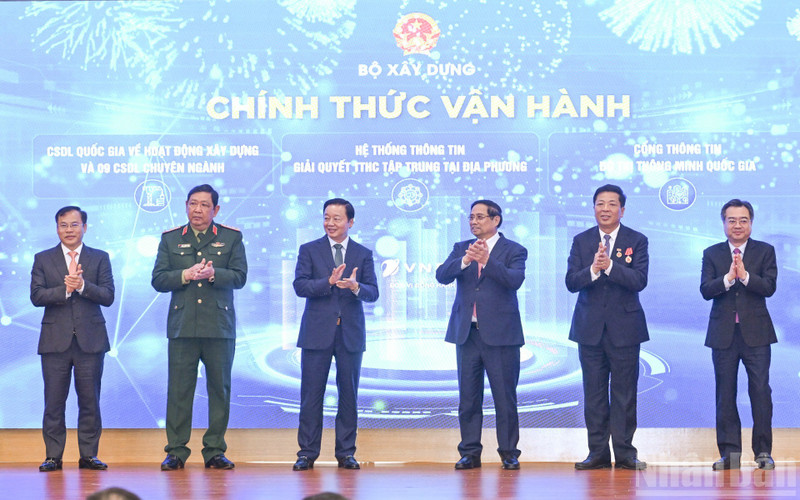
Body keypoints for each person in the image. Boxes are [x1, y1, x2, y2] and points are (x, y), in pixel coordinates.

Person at [151, 184, 247, 471]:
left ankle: (215, 450)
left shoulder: (231, 238)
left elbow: (240, 277)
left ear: (215, 210)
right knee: (179, 391)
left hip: (219, 326)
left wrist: (214, 273)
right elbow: (158, 279)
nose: (197, 210)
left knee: (220, 389)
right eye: (193, 204)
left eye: (205, 205)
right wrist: (184, 274)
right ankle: (176, 451)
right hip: (183, 326)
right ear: (186, 206)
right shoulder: (170, 239)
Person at [435, 199, 527, 471]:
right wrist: (465, 260)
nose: (474, 222)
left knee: (504, 398)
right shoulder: (461, 248)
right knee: (468, 398)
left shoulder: (515, 250)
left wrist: (487, 261)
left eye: (480, 217)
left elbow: (514, 280)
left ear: (495, 220)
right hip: (467, 334)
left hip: (502, 336)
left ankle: (509, 452)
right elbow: (442, 275)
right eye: (471, 217)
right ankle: (469, 452)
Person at [565, 184, 648, 471]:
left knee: (625, 394)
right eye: (600, 203)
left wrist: (610, 266)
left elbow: (639, 281)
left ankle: (625, 454)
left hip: (626, 329)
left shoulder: (637, 240)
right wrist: (593, 269)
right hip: (589, 329)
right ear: (593, 208)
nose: (605, 209)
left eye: (612, 204)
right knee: (595, 394)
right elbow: (571, 282)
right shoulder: (581, 240)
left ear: (622, 210)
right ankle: (597, 453)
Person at [292, 198, 379, 471]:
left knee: (349, 396)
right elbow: (300, 286)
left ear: (350, 222)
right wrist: (327, 282)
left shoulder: (363, 254)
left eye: (337, 218)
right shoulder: (309, 250)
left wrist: (355, 287)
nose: (330, 223)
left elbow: (373, 292)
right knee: (311, 395)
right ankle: (307, 453)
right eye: (326, 217)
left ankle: (346, 453)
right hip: (316, 333)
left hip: (350, 333)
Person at [30, 206, 115, 472]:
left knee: (90, 400)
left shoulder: (99, 258)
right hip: (55, 341)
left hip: (91, 341)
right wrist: (65, 290)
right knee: (54, 402)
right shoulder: (43, 259)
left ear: (85, 227)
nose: (69, 230)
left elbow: (108, 296)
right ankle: (53, 456)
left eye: (74, 225)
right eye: (63, 225)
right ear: (57, 228)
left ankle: (88, 455)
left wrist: (83, 287)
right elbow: (36, 296)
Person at [701, 199, 777, 471]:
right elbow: (706, 290)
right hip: (723, 334)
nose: (737, 225)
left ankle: (763, 452)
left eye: (743, 220)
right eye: (731, 220)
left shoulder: (765, 251)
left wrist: (745, 276)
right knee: (725, 394)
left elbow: (769, 287)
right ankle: (730, 455)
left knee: (760, 392)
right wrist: (728, 278)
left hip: (756, 335)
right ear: (724, 224)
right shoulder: (711, 253)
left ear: (751, 223)